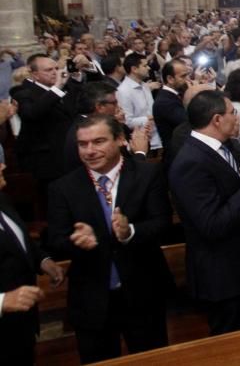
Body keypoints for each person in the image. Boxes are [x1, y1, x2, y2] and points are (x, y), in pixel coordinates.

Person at [47, 115, 172, 363]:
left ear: (120, 140)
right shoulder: (63, 188)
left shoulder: (148, 174)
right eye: (83, 144)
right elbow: (55, 241)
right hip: (92, 298)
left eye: (99, 141)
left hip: (142, 291)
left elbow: (162, 224)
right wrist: (75, 241)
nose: (90, 151)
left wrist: (130, 232)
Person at [168, 91, 240, 335]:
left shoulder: (229, 146)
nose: (235, 117)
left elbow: (239, 197)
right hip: (221, 273)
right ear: (217, 119)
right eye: (232, 112)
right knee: (229, 342)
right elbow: (211, 224)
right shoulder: (190, 162)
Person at [0, 146, 64, 366]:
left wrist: (43, 261)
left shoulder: (3, 200)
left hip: (19, 327)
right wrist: (1, 302)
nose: (3, 166)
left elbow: (19, 242)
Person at [11, 54, 80, 205]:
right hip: (45, 162)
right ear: (34, 74)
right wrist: (56, 88)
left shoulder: (63, 87)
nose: (55, 72)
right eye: (49, 70)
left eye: (56, 68)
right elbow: (32, 113)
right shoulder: (22, 92)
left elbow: (79, 97)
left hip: (67, 154)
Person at [116, 54, 162, 156]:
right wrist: (149, 118)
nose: (149, 68)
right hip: (142, 141)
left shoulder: (144, 85)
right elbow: (127, 121)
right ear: (134, 69)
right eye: (145, 66)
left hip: (156, 137)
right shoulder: (123, 91)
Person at [152, 58, 188, 148]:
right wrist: (192, 94)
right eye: (183, 76)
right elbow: (188, 122)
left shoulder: (179, 93)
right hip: (176, 153)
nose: (187, 79)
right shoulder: (164, 102)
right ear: (170, 79)